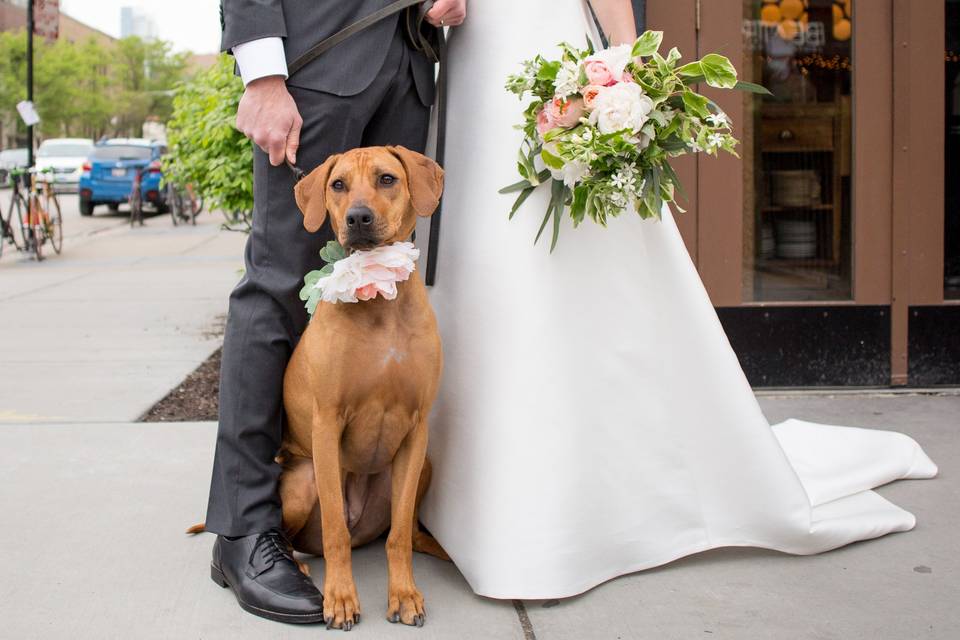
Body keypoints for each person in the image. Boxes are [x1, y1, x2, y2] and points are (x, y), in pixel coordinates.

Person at [416, 0, 938, 599]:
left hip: (551, 48)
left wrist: (623, 68)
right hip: (473, 64)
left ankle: (572, 500)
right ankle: (459, 491)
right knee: (480, 252)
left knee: (574, 263)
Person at [203, 0, 466, 624]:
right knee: (277, 282)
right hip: (318, 54)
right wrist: (263, 73)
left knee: (390, 269)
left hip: (410, 59)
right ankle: (243, 530)